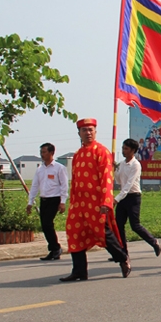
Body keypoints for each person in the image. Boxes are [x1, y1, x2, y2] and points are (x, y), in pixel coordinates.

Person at [60, 119, 130, 281]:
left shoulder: (102, 152)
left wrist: (106, 201)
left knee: (103, 233)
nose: (88, 133)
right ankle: (79, 270)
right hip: (79, 203)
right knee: (74, 232)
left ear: (95, 132)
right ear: (79, 133)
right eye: (84, 130)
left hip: (96, 202)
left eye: (91, 130)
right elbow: (75, 181)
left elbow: (107, 178)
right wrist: (72, 202)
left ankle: (122, 258)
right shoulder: (77, 155)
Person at [114, 138, 161, 259]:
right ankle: (122, 252)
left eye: (126, 149)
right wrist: (114, 170)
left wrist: (116, 199)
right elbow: (119, 181)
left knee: (135, 225)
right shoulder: (122, 164)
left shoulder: (136, 165)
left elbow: (129, 184)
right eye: (123, 148)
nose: (124, 151)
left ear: (133, 151)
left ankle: (153, 242)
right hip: (123, 197)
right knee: (118, 225)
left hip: (133, 197)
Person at [27, 143, 68, 261]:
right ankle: (54, 249)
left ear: (51, 153)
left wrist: (63, 201)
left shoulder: (59, 168)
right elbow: (35, 185)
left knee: (47, 223)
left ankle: (55, 248)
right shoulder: (40, 169)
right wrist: (30, 201)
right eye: (41, 152)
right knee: (45, 226)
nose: (42, 154)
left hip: (54, 199)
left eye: (44, 152)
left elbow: (64, 186)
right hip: (43, 199)